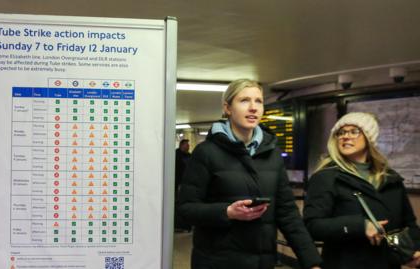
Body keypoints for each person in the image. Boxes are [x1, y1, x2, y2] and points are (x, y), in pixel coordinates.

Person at [178, 79, 322, 269]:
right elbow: (186, 208)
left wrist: (312, 261)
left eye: (259, 101)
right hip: (217, 262)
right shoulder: (206, 152)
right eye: (244, 100)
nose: (253, 108)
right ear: (227, 108)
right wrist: (227, 212)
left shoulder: (272, 154)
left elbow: (287, 213)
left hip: (262, 262)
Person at [303, 112, 420, 269]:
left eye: (354, 131)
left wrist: (414, 250)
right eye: (341, 132)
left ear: (369, 137)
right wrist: (360, 226)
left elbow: (410, 224)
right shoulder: (326, 177)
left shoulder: (390, 178)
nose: (345, 136)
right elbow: (312, 226)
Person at [175, 139, 192, 232]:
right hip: (179, 184)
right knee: (179, 203)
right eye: (186, 145)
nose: (188, 146)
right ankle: (179, 225)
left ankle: (187, 225)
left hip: (188, 184)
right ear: (181, 145)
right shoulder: (175, 156)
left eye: (188, 145)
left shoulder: (189, 156)